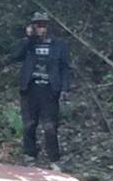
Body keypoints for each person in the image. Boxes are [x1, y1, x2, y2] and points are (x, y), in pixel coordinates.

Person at [13, 11, 71, 166]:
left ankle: (54, 158)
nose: (41, 28)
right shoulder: (28, 44)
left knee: (50, 126)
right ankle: (30, 155)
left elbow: (65, 68)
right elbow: (15, 56)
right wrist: (28, 39)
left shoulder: (59, 45)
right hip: (30, 89)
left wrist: (65, 88)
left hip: (50, 90)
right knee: (29, 124)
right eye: (38, 25)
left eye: (43, 25)